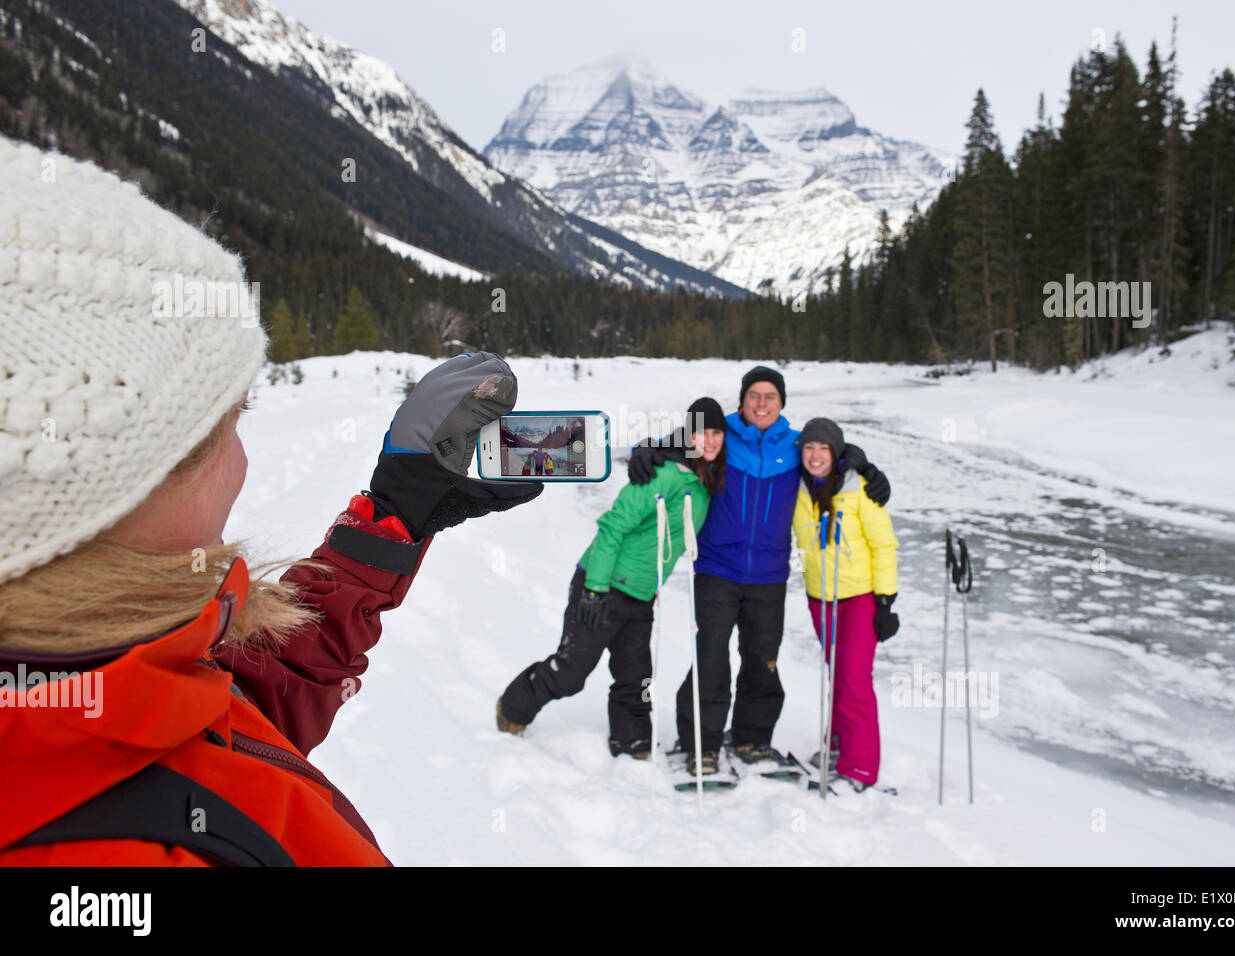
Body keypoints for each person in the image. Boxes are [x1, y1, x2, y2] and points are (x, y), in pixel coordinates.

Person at [0, 137, 540, 865]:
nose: (244, 461)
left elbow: (243, 699)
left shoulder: (81, 684)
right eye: (230, 423)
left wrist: (393, 518)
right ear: (115, 487)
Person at [628, 368, 891, 773]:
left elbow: (830, 454)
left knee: (762, 659)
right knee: (711, 657)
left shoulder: (796, 444)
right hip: (717, 569)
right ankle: (702, 741)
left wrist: (862, 464)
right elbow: (683, 441)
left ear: (782, 402)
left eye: (770, 396)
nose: (762, 403)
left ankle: (752, 737)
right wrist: (648, 449)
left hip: (769, 575)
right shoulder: (723, 433)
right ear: (742, 400)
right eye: (754, 396)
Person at [498, 399, 727, 757]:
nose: (710, 440)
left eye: (717, 433)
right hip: (602, 586)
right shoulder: (663, 473)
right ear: (689, 432)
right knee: (570, 673)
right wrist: (595, 590)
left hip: (641, 595)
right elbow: (612, 527)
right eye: (702, 431)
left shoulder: (702, 482)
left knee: (635, 677)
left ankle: (632, 742)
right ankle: (512, 709)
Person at [794, 418, 899, 791]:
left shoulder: (860, 487)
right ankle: (839, 746)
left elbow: (883, 544)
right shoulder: (797, 486)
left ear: (837, 452)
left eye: (823, 448)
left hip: (859, 597)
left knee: (854, 681)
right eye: (809, 448)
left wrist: (885, 601)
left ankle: (860, 769)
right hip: (820, 596)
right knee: (838, 675)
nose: (815, 455)